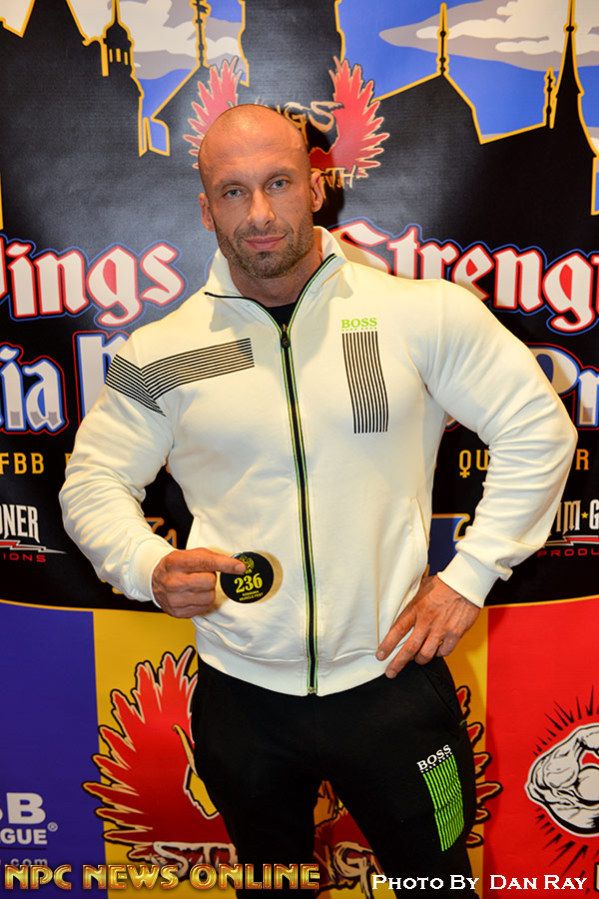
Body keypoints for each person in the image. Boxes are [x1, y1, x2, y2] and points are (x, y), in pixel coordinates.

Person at [60, 105, 577, 896]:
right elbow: (91, 480)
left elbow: (536, 427)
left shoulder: (416, 314)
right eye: (233, 192)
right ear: (205, 209)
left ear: (315, 186)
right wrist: (145, 564)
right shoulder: (162, 351)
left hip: (394, 681)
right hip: (241, 694)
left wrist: (471, 573)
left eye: (277, 183)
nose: (258, 213)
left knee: (438, 883)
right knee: (272, 886)